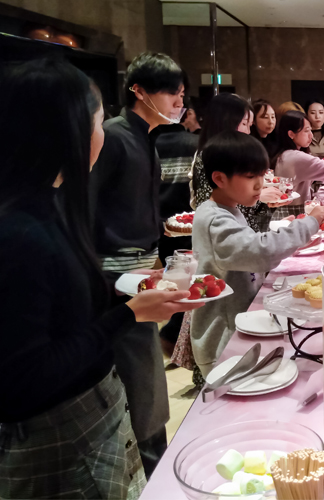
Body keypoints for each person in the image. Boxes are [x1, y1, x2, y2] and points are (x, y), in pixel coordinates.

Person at [0, 58, 201, 499]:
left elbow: (68, 310)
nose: (101, 130)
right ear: (65, 130)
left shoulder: (46, 206)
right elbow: (25, 375)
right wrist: (127, 312)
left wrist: (126, 301)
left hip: (91, 422)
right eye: (95, 119)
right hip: (61, 443)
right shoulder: (21, 233)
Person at [88, 51, 186, 477]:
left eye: (181, 94)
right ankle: (155, 471)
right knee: (142, 377)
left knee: (144, 377)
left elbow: (128, 207)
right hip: (116, 273)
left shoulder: (148, 136)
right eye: (170, 92)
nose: (178, 101)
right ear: (139, 91)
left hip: (144, 262)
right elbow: (87, 211)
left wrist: (163, 228)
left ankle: (151, 465)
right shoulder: (111, 136)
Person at [190, 132, 324, 374]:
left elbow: (250, 247)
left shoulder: (227, 208)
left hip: (239, 324)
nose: (260, 185)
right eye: (250, 177)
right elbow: (259, 251)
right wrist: (308, 224)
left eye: (262, 175)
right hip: (224, 338)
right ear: (219, 178)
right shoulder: (214, 218)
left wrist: (289, 233)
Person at [152, 81, 201, 357]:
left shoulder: (153, 145)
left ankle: (172, 337)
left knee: (173, 281)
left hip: (161, 224)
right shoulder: (194, 143)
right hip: (189, 223)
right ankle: (174, 338)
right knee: (190, 283)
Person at [190, 94, 273, 233]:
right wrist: (259, 198)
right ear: (226, 122)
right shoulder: (210, 156)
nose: (247, 132)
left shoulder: (228, 154)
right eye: (245, 124)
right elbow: (213, 204)